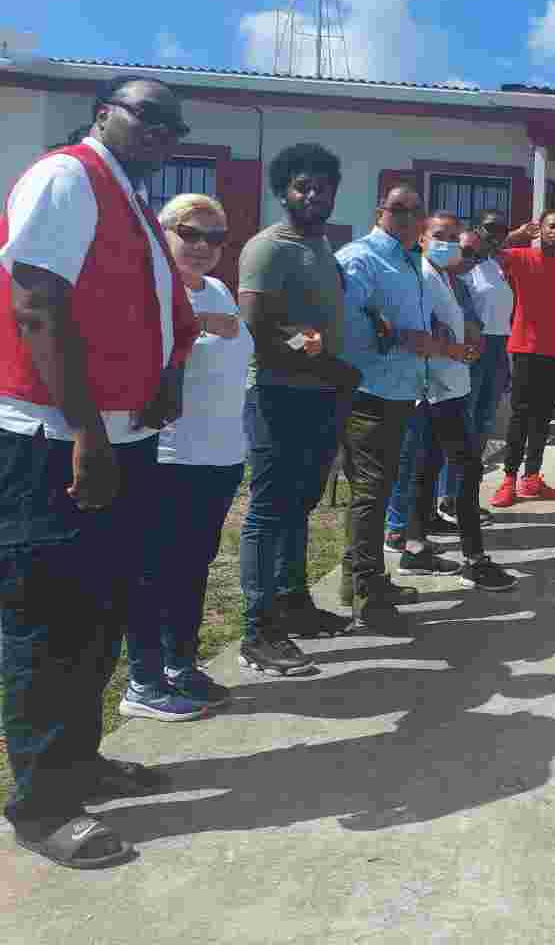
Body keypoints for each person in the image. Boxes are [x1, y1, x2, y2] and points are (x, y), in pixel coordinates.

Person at [1, 74, 199, 869]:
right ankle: (44, 807)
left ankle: (78, 764)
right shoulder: (65, 176)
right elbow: (36, 303)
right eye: (148, 116)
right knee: (49, 623)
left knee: (101, 612)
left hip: (118, 437)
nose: (162, 134)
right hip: (57, 441)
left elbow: (148, 314)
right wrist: (87, 431)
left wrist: (161, 383)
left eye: (174, 127)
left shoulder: (131, 202)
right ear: (103, 116)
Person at [120, 193, 253, 722]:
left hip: (219, 455)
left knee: (193, 568)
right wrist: (197, 324)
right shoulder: (149, 289)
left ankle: (180, 664)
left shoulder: (219, 289)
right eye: (189, 233)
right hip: (168, 456)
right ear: (163, 232)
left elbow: (239, 350)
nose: (201, 246)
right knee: (154, 570)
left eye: (214, 237)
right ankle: (143, 680)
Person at [236, 143, 362, 673]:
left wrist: (331, 371)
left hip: (321, 398)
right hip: (277, 395)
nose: (312, 195)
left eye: (322, 186)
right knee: (268, 512)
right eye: (301, 186)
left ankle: (293, 604)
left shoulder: (322, 247)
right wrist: (319, 359)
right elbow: (259, 331)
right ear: (282, 191)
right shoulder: (268, 248)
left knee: (299, 506)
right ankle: (258, 631)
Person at [334, 186, 442, 634]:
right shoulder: (359, 258)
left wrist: (424, 329)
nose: (408, 217)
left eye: (416, 211)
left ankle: (357, 579)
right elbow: (343, 324)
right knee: (370, 494)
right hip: (368, 393)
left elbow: (401, 316)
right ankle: (367, 597)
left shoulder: (406, 258)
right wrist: (400, 336)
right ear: (380, 212)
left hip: (400, 391)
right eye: (398, 209)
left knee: (375, 493)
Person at [403, 214, 516, 592]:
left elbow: (458, 322)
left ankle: (415, 548)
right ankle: (474, 559)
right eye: (440, 236)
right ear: (421, 238)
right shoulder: (420, 276)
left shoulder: (447, 276)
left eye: (454, 238)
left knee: (429, 465)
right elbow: (414, 332)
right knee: (467, 469)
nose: (448, 244)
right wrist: (452, 346)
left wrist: (468, 336)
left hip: (450, 384)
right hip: (434, 390)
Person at [490, 209, 555, 506]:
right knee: (520, 416)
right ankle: (508, 479)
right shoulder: (519, 257)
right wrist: (516, 235)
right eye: (551, 226)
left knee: (543, 420)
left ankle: (531, 479)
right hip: (524, 349)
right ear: (541, 229)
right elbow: (486, 250)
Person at [456, 212, 514, 515]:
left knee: (482, 427)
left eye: (502, 230)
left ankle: (466, 498)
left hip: (498, 348)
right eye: (490, 228)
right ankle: (448, 497)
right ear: (476, 229)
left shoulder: (495, 266)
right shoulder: (464, 266)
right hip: (474, 349)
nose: (496, 234)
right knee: (462, 426)